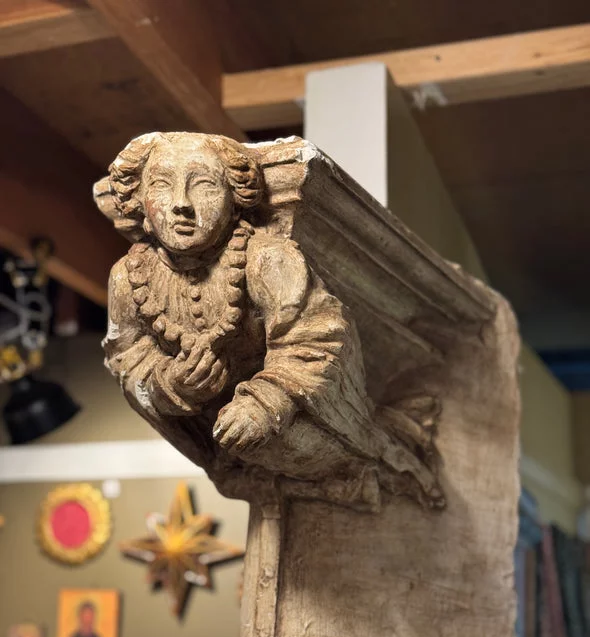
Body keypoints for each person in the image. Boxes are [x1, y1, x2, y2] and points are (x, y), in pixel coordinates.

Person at [101, 132, 442, 510]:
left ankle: (380, 466)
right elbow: (126, 356)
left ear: (235, 202)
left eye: (204, 185)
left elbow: (316, 336)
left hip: (290, 407)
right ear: (138, 202)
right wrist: (170, 384)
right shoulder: (129, 278)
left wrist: (266, 402)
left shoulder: (265, 258)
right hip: (216, 428)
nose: (181, 203)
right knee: (239, 468)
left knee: (294, 448)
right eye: (161, 185)